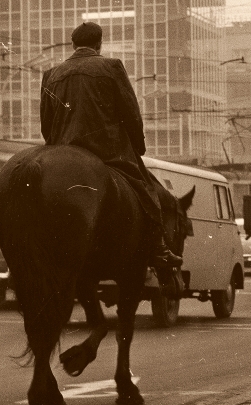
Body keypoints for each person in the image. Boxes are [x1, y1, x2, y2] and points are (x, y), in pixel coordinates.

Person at [39, 20, 182, 278]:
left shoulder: (51, 74)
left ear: (73, 45)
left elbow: (46, 125)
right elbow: (130, 112)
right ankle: (159, 249)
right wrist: (137, 147)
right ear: (98, 43)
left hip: (60, 150)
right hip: (106, 151)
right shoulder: (111, 67)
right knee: (147, 189)